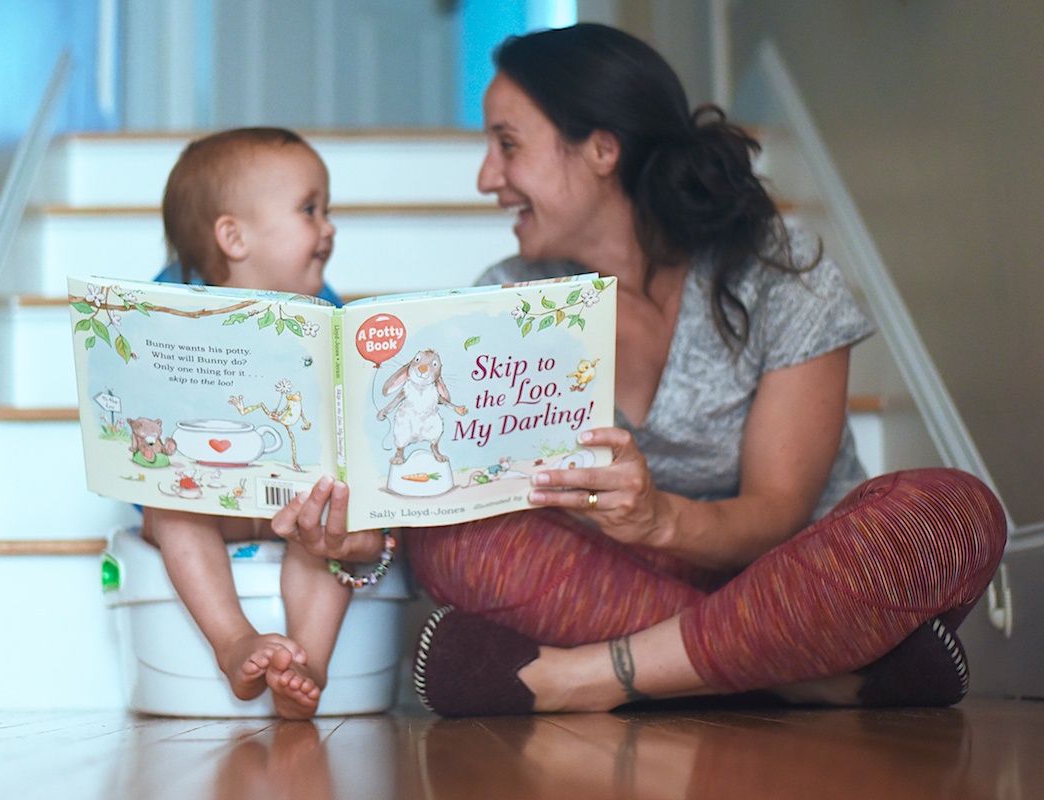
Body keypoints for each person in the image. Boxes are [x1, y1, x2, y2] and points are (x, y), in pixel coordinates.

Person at [396, 24, 1008, 716]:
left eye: (507, 144)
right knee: (450, 534)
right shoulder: (508, 299)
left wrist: (659, 520)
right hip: (641, 584)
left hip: (796, 571)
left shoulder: (776, 273)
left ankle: (590, 676)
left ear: (602, 148)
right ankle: (796, 673)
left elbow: (779, 514)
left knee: (957, 512)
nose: (486, 177)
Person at [142, 127, 388, 719]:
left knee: (327, 523)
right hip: (212, 500)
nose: (328, 228)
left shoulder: (326, 313)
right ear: (234, 236)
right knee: (171, 512)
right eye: (310, 209)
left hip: (290, 499)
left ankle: (311, 663)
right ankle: (234, 642)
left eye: (326, 209)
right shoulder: (168, 309)